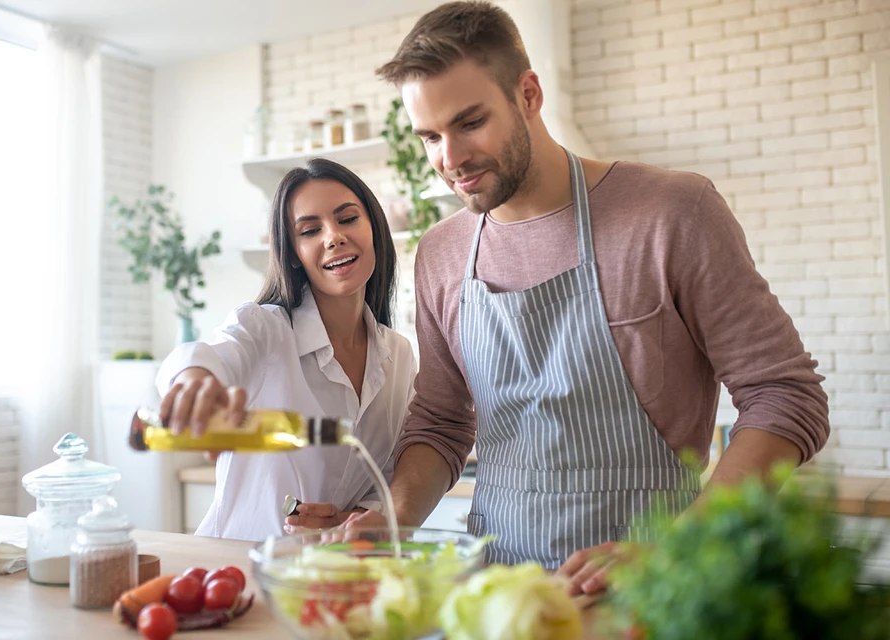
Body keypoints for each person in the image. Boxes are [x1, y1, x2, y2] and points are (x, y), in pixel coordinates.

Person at [325, 1, 830, 594]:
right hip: (500, 597)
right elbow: (440, 422)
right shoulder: (441, 252)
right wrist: (394, 517)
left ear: (529, 94)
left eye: (469, 122)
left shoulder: (672, 214)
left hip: (656, 593)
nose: (450, 159)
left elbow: (785, 396)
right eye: (430, 136)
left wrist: (682, 547)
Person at [155, 158, 416, 542]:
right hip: (237, 570)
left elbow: (389, 478)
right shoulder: (264, 330)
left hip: (331, 575)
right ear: (294, 253)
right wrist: (196, 379)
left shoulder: (399, 355)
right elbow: (213, 355)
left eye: (347, 219)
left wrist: (351, 519)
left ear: (374, 228)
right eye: (310, 230)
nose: (333, 237)